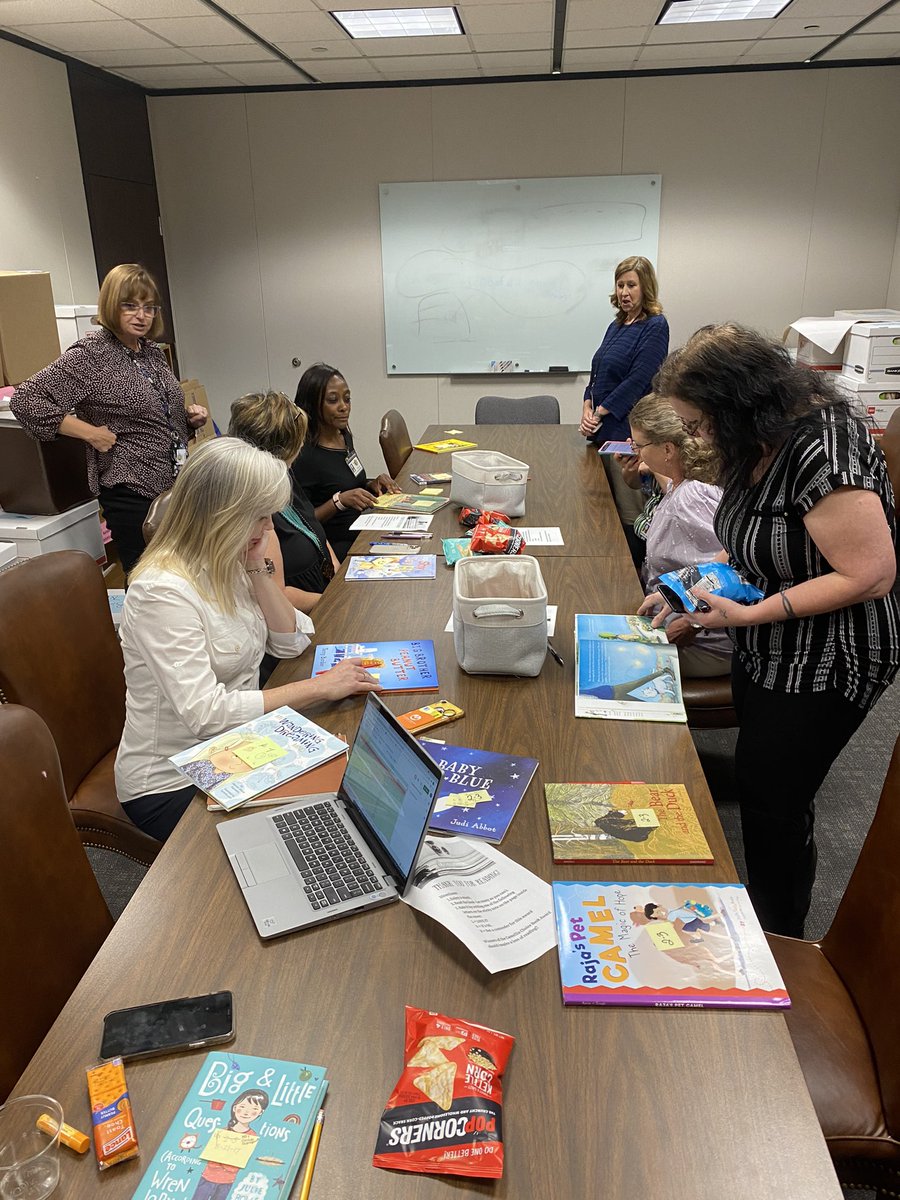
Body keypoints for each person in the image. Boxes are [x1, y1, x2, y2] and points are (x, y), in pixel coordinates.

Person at [646, 323, 899, 937]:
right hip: (766, 645)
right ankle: (762, 911)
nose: (696, 436)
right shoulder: (754, 439)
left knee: (776, 805)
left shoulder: (823, 451)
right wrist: (686, 586)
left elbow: (871, 574)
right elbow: (753, 545)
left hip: (830, 656)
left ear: (737, 401)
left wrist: (753, 614)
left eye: (699, 422)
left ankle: (778, 938)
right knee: (763, 780)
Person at [115, 437, 381, 842]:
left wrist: (258, 567)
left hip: (236, 746)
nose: (268, 528)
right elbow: (206, 714)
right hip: (173, 778)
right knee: (320, 829)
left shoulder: (229, 560)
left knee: (351, 789)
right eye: (259, 517)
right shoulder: (162, 591)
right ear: (223, 516)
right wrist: (316, 688)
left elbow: (290, 643)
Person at [11, 263, 208, 575]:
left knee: (182, 574)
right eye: (129, 306)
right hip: (131, 487)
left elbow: (151, 414)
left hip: (172, 483)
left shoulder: (151, 352)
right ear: (110, 306)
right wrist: (89, 432)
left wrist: (188, 419)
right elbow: (27, 400)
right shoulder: (91, 355)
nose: (141, 316)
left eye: (149, 307)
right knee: (149, 578)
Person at [628, 393, 731, 678]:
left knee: (613, 665)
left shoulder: (690, 499)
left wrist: (691, 621)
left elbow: (732, 568)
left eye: (640, 445)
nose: (637, 453)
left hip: (706, 639)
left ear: (669, 450)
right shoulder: (682, 483)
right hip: (678, 616)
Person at [228, 390, 339, 612]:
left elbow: (314, 530)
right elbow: (277, 596)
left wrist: (339, 579)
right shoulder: (254, 508)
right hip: (304, 616)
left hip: (326, 598)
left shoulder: (285, 477)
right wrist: (337, 602)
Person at [578, 256, 669, 525]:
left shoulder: (655, 325)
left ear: (646, 288)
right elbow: (598, 373)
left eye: (631, 285)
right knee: (600, 513)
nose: (624, 292)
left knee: (628, 515)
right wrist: (586, 406)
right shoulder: (616, 326)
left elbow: (640, 379)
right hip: (601, 431)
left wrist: (599, 412)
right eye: (620, 285)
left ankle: (634, 567)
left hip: (626, 433)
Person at [292, 363, 399, 560]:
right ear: (312, 404)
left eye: (347, 399)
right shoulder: (303, 455)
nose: (344, 407)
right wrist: (338, 502)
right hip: (337, 544)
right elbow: (300, 521)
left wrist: (372, 484)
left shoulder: (343, 436)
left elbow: (351, 481)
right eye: (333, 400)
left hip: (364, 525)